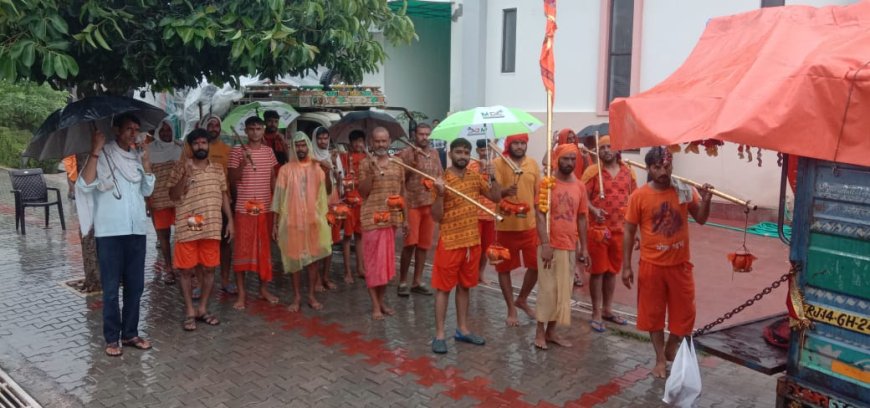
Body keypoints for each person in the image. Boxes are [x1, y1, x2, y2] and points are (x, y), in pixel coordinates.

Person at [622, 146, 713, 378]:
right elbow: (629, 231)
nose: (663, 171)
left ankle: (672, 344)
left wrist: (707, 200)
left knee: (685, 313)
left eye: (667, 166)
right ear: (649, 168)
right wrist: (626, 266)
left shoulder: (684, 190)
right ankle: (660, 359)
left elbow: (701, 219)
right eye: (657, 167)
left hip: (680, 264)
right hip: (651, 265)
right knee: (653, 315)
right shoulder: (639, 196)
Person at [77, 112, 155, 357]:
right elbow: (85, 184)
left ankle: (130, 333)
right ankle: (112, 338)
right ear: (117, 130)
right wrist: (95, 150)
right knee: (111, 289)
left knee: (136, 286)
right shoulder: (104, 154)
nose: (134, 133)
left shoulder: (136, 157)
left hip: (136, 230)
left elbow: (147, 188)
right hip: (110, 233)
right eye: (129, 128)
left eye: (136, 128)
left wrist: (145, 160)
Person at [430, 138, 501, 354]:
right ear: (450, 154)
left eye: (465, 152)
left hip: (472, 243)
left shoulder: (475, 177)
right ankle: (440, 334)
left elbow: (495, 196)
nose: (462, 155)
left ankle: (462, 329)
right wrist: (440, 194)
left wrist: (493, 175)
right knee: (443, 289)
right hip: (450, 242)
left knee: (465, 287)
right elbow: (436, 216)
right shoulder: (441, 180)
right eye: (458, 152)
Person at [168, 129, 233, 331]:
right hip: (188, 226)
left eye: (204, 143)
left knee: (209, 269)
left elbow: (224, 195)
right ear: (190, 146)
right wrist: (185, 176)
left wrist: (230, 220)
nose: (200, 146)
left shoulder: (217, 170)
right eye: (196, 143)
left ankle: (203, 309)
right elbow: (173, 195)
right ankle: (189, 311)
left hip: (212, 227)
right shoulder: (180, 167)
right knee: (186, 271)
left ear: (208, 145)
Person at [534, 144, 589, 350]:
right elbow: (539, 214)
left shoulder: (580, 186)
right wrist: (546, 243)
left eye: (573, 159)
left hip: (569, 245)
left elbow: (582, 218)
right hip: (548, 244)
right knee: (548, 289)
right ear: (557, 159)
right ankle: (539, 331)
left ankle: (551, 332)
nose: (569, 163)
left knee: (563, 291)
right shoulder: (547, 184)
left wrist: (584, 248)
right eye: (565, 158)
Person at [580, 136, 637, 332]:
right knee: (597, 272)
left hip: (621, 231)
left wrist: (635, 231)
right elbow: (582, 198)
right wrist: (593, 209)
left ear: (617, 149)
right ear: (598, 151)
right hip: (598, 231)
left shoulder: (629, 173)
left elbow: (635, 203)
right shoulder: (592, 172)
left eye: (609, 146)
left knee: (612, 271)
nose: (606, 150)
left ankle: (607, 309)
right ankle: (596, 312)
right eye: (602, 147)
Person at [272, 131, 333, 312]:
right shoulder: (285, 170)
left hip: (313, 221)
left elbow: (327, 191)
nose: (300, 148)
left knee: (313, 261)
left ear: (308, 146)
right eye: (297, 145)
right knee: (295, 261)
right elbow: (278, 199)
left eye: (303, 144)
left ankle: (311, 296)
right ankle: (297, 296)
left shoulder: (317, 168)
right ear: (293, 147)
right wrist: (275, 224)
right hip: (292, 222)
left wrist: (327, 172)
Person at [228, 116, 279, 310]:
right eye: (251, 129)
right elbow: (232, 179)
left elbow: (272, 178)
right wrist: (243, 163)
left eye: (258, 128)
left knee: (264, 251)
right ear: (246, 131)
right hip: (244, 209)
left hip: (265, 208)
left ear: (263, 130)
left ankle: (263, 289)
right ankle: (241, 294)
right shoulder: (237, 151)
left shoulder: (268, 152)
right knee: (242, 250)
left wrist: (276, 202)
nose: (255, 132)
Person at [492, 133, 541, 326]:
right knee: (504, 268)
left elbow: (538, 193)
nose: (519, 147)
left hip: (529, 225)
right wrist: (505, 191)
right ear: (509, 145)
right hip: (505, 226)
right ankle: (511, 308)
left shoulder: (533, 164)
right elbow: (494, 195)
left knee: (536, 267)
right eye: (516, 143)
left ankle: (522, 299)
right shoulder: (498, 163)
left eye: (523, 143)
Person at [358, 127, 406, 319]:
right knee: (372, 264)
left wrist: (406, 219)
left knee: (386, 265)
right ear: (372, 142)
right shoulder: (364, 164)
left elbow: (403, 193)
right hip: (371, 219)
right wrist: (371, 171)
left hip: (392, 219)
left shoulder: (398, 163)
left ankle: (382, 300)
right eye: (377, 141)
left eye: (384, 141)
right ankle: (375, 306)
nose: (381, 145)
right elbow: (363, 192)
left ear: (389, 142)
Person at [396, 122, 442, 297]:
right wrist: (413, 162)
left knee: (424, 246)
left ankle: (417, 281)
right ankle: (402, 281)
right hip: (412, 205)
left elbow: (439, 174)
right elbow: (401, 180)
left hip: (429, 204)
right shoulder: (406, 154)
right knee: (409, 245)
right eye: (421, 134)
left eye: (427, 134)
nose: (424, 137)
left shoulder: (435, 153)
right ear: (415, 135)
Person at [195, 115, 235, 294]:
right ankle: (199, 284)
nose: (213, 128)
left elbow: (230, 179)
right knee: (197, 242)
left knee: (225, 244)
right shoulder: (192, 148)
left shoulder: (228, 150)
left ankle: (225, 281)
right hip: (196, 206)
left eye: (216, 125)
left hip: (222, 204)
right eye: (210, 125)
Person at [147, 119, 183, 285]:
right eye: (163, 130)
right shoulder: (149, 150)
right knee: (163, 235)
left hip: (180, 198)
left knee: (183, 232)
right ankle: (169, 268)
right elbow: (145, 176)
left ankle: (183, 266)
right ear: (157, 132)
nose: (166, 133)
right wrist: (147, 201)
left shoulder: (180, 148)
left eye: (169, 130)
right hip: (158, 199)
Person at [311, 126, 343, 291]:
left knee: (330, 242)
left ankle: (325, 277)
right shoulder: (311, 157)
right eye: (320, 138)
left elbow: (339, 179)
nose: (323, 141)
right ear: (315, 139)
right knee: (317, 242)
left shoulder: (334, 156)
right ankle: (315, 280)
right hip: (316, 203)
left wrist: (335, 169)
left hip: (332, 200)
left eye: (326, 138)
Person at [338, 130, 369, 283]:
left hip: (362, 203)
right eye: (355, 141)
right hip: (349, 203)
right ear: (350, 143)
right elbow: (340, 177)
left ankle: (360, 268)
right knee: (347, 237)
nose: (358, 144)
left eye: (361, 141)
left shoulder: (368, 158)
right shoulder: (344, 158)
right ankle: (347, 271)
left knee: (360, 236)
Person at [467, 139, 497, 283]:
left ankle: (480, 274)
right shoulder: (472, 166)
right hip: (476, 214)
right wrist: (480, 169)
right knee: (475, 248)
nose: (486, 152)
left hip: (491, 214)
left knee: (486, 248)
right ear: (478, 151)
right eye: (483, 150)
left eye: (488, 150)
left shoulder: (495, 166)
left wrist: (492, 174)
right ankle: (471, 274)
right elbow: (471, 186)